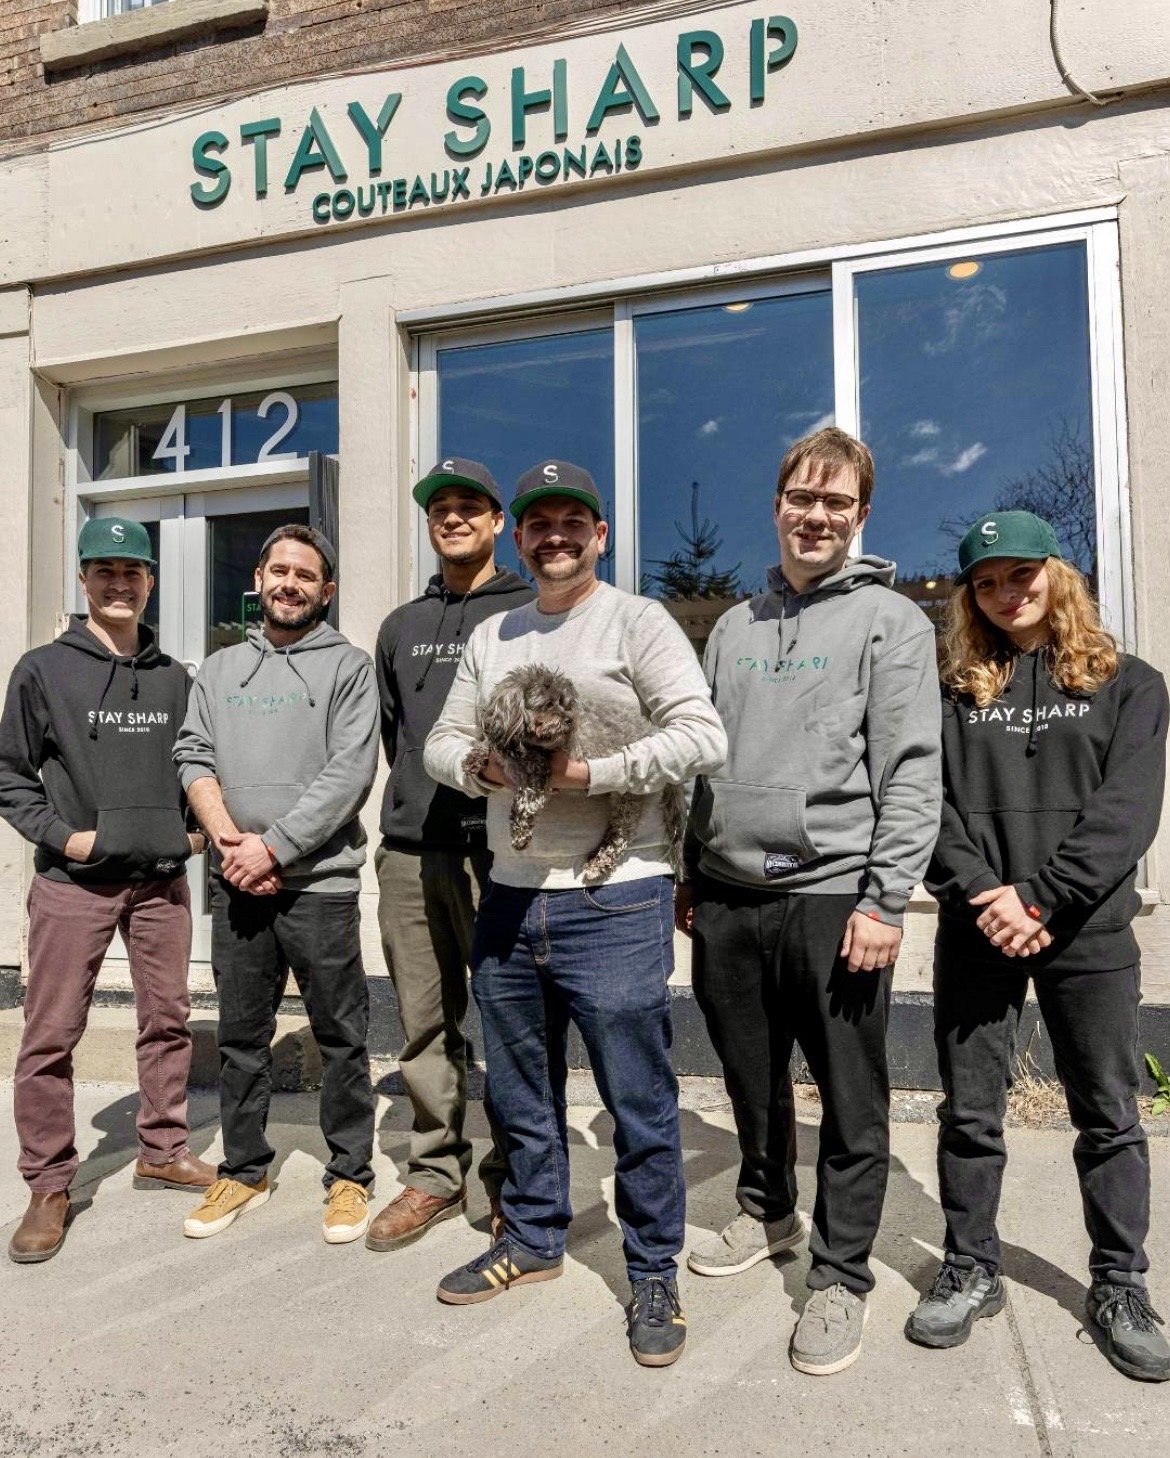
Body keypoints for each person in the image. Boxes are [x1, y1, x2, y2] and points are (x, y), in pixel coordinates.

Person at [424, 460, 726, 1367]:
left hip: (619, 893)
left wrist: (589, 774)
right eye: (538, 523)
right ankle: (532, 1237)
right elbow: (442, 740)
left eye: (572, 522)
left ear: (600, 536)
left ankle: (653, 1270)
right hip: (511, 894)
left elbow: (702, 735)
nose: (554, 536)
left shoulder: (639, 621)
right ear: (519, 539)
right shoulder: (494, 634)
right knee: (519, 1089)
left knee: (638, 1098)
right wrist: (479, 769)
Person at [680, 426, 942, 1376]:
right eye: (803, 497)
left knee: (849, 1096)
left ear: (861, 514)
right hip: (728, 894)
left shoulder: (891, 623)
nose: (817, 515)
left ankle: (839, 1273)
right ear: (778, 504)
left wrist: (885, 900)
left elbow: (912, 771)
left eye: (836, 501)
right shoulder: (736, 628)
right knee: (748, 1078)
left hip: (836, 896)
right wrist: (690, 868)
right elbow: (703, 760)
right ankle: (767, 1211)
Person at [906, 510, 1170, 1383]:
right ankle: (970, 1266)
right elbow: (924, 806)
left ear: (1057, 574)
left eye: (1020, 573)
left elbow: (1126, 813)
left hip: (1087, 931)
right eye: (985, 582)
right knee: (969, 1112)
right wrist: (985, 893)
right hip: (978, 930)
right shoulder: (951, 691)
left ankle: (1119, 1284)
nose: (1005, 592)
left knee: (1108, 1114)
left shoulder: (1130, 684)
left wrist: (1043, 896)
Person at [0, 518, 214, 1263]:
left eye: (132, 571)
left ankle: (162, 1148)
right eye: (105, 570)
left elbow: (199, 766)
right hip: (74, 885)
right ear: (83, 579)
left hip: (160, 883)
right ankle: (49, 1183)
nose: (119, 584)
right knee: (51, 1032)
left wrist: (192, 838)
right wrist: (67, 838)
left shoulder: (174, 677)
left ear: (150, 581)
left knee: (168, 1020)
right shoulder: (42, 670)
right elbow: (10, 776)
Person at [173, 524, 380, 1245]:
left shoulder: (349, 667)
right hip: (237, 881)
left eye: (306, 575)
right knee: (240, 1037)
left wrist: (274, 849)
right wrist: (230, 840)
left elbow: (349, 774)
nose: (291, 584)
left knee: (340, 1035)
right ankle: (245, 1169)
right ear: (259, 579)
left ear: (327, 590)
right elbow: (193, 755)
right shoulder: (220, 670)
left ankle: (350, 1174)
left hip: (320, 884)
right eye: (280, 570)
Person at [368, 459, 533, 1252]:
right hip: (410, 854)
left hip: (500, 855)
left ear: (498, 521)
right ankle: (435, 1172)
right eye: (441, 508)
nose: (454, 518)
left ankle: (515, 1177)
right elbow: (396, 734)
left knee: (510, 1022)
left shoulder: (530, 611)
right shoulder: (400, 626)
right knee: (424, 1024)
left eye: (470, 506)